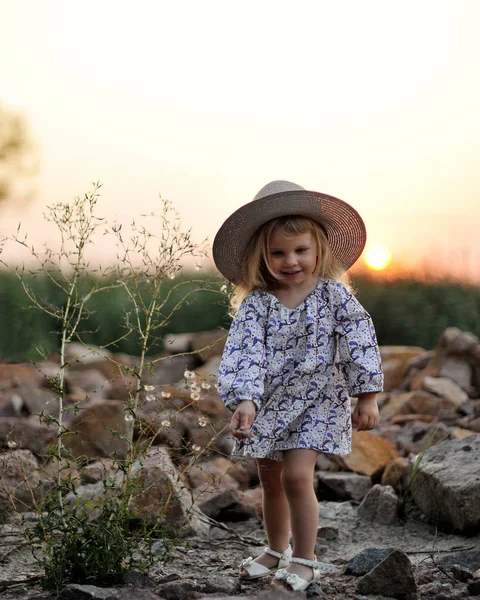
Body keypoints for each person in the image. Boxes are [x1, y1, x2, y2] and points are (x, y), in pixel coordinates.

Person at [212, 180, 383, 592]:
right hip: (269, 405)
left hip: (318, 401)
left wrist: (368, 394)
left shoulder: (332, 297)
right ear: (260, 255)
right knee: (269, 480)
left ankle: (306, 559)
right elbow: (244, 353)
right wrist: (246, 400)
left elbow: (360, 339)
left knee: (295, 477)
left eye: (300, 250)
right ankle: (276, 549)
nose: (291, 261)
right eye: (278, 252)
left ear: (318, 248)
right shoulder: (257, 304)